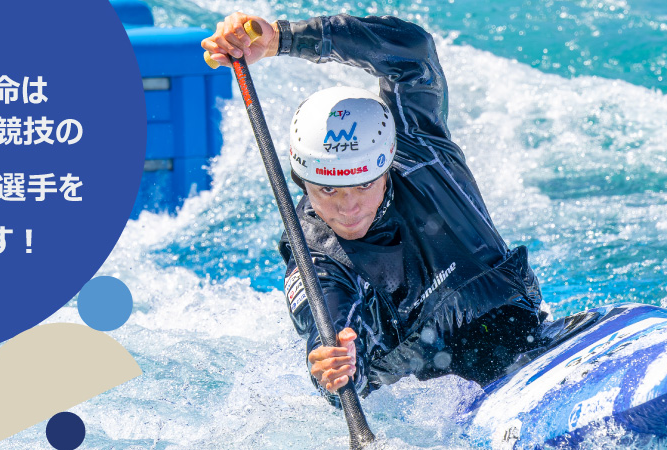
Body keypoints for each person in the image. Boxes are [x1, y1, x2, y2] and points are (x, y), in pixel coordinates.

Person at [203, 12, 552, 405]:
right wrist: (334, 366)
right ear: (300, 179)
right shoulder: (316, 254)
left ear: (387, 162)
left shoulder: (422, 147)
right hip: (437, 402)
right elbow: (329, 333)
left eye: (364, 184)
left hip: (525, 334)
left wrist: (282, 40)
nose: (348, 207)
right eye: (328, 190)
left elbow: (412, 51)